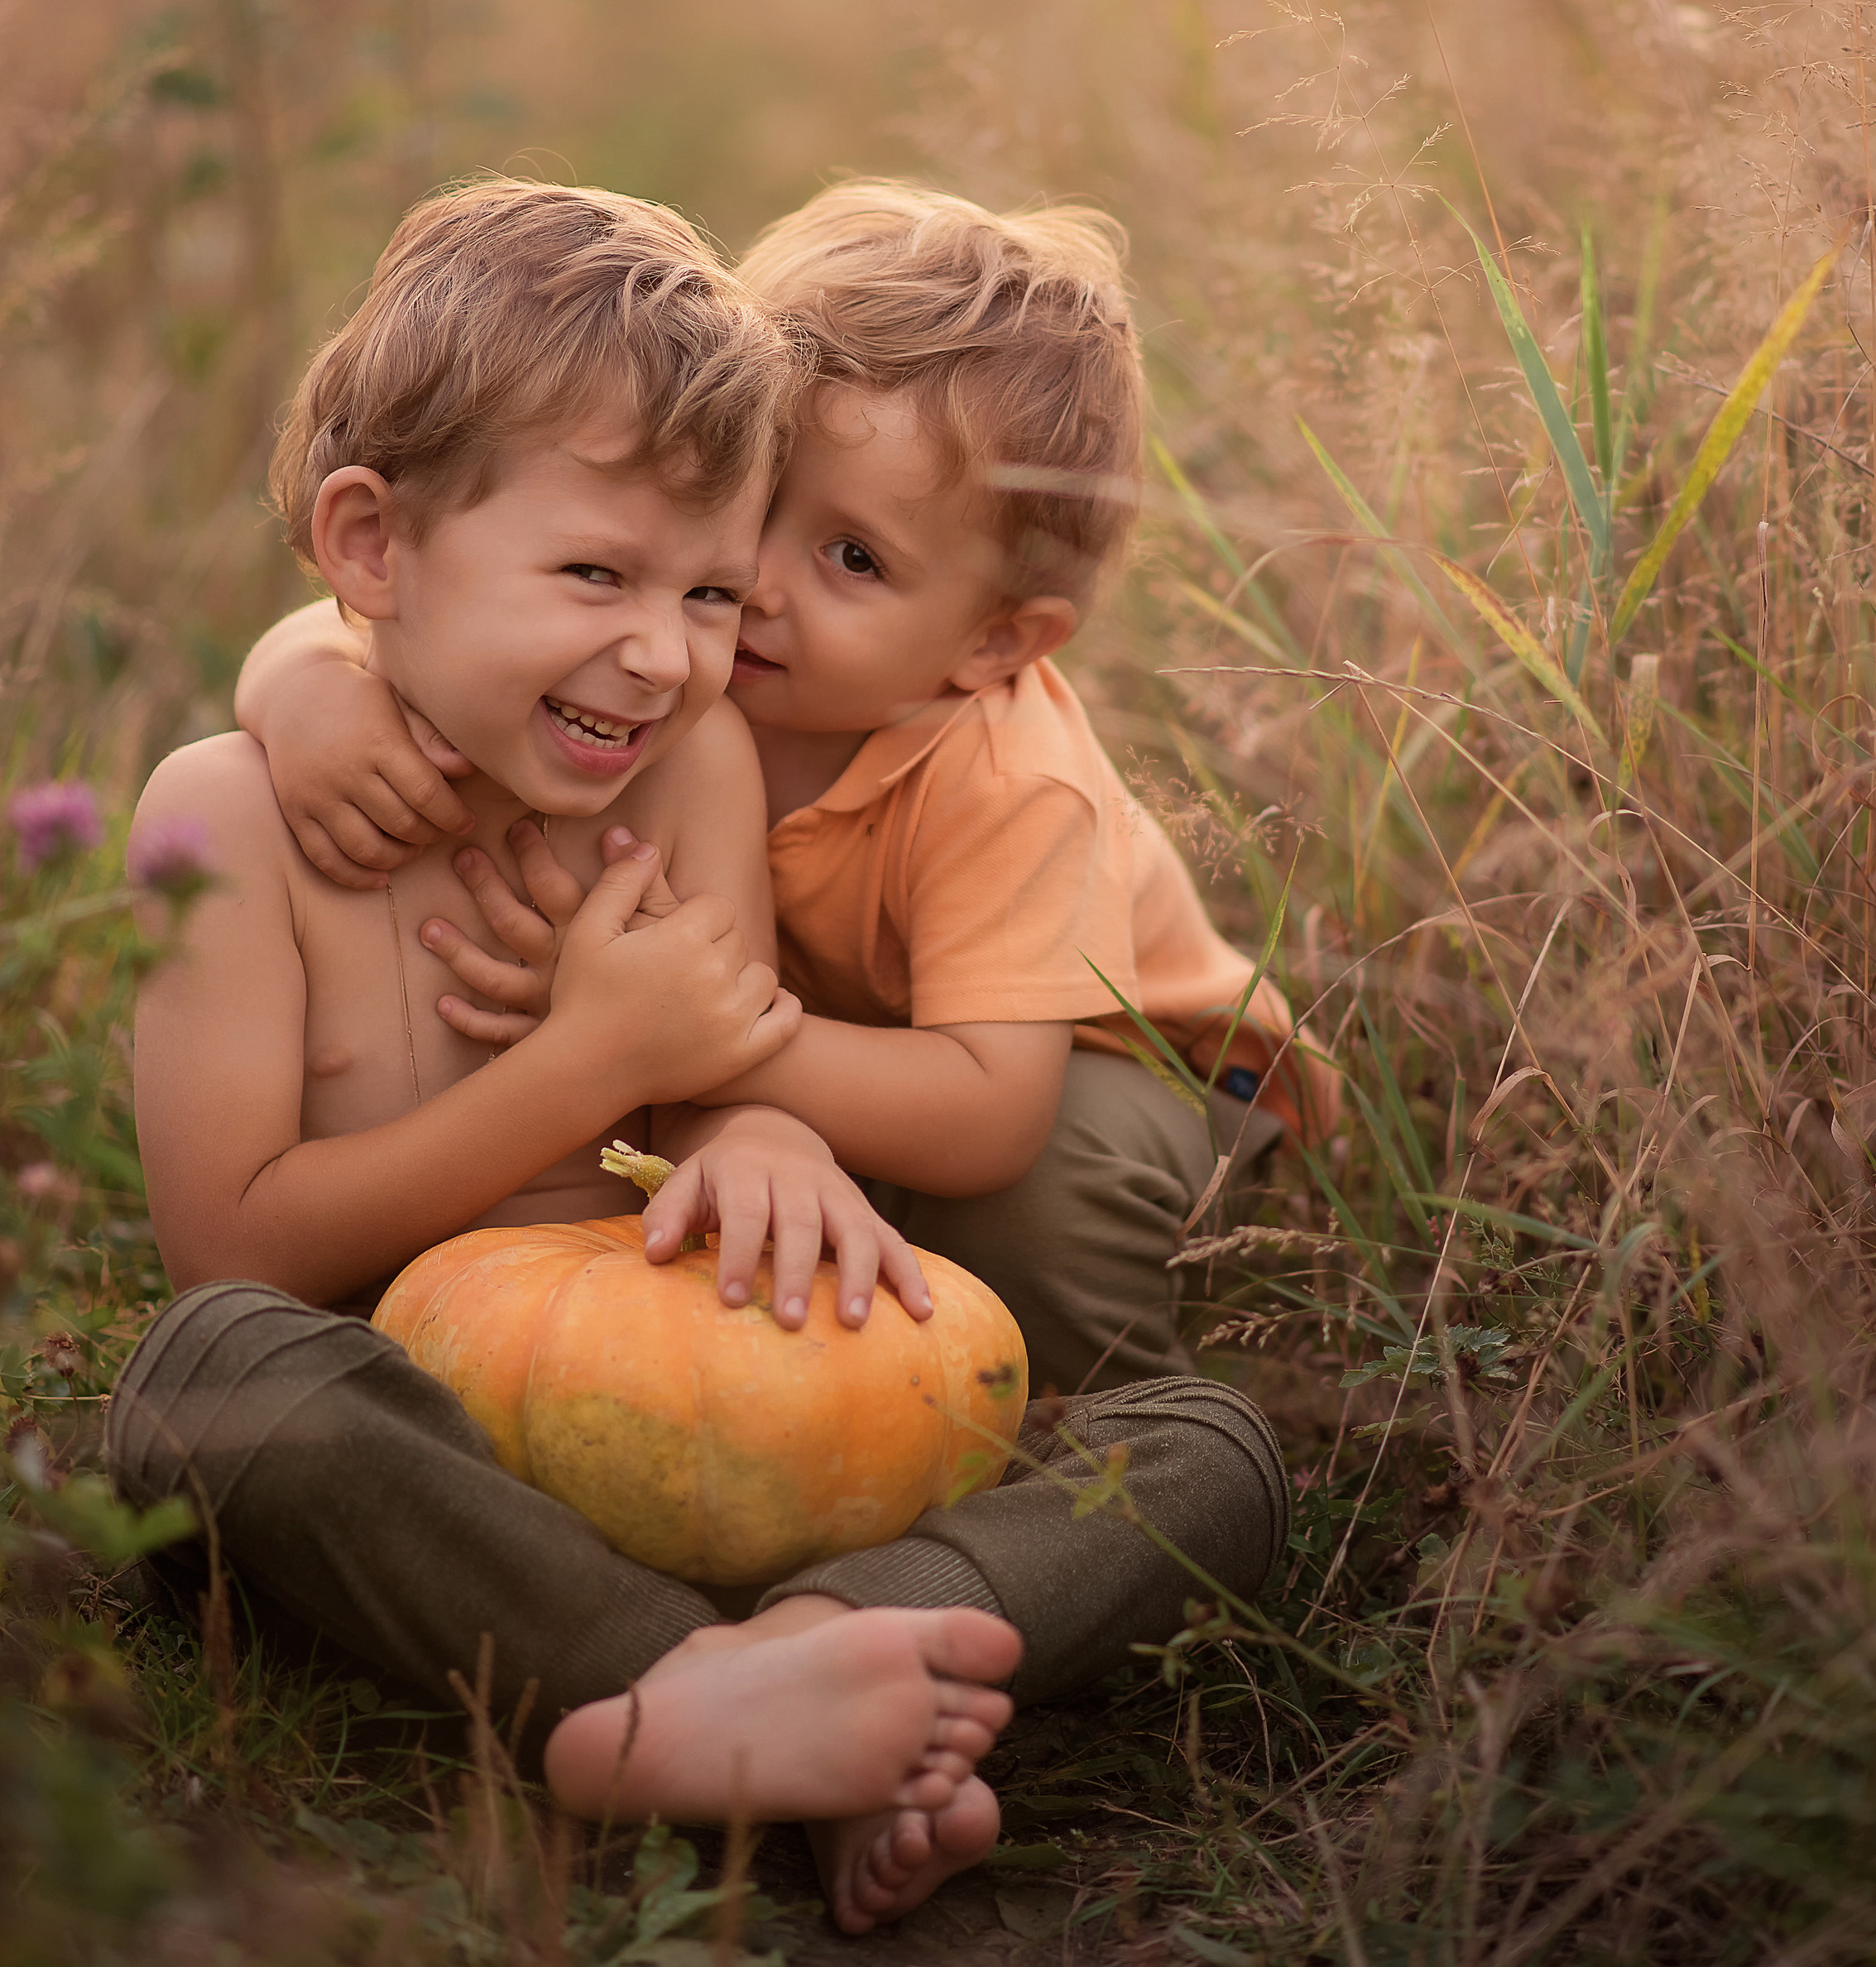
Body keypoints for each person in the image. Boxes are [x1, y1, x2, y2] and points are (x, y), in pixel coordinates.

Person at [123, 177, 1293, 1934]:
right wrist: (586, 1056)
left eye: (708, 585)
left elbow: (729, 1066)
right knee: (212, 1371)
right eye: (602, 574)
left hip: (723, 1404)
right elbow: (239, 1251)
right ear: (371, 548)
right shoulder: (224, 814)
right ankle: (692, 1694)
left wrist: (761, 1137)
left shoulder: (686, 761)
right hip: (440, 1447)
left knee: (1209, 1444)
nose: (679, 650)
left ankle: (804, 1655)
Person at [231, 180, 1339, 1402]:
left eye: (853, 557)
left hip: (1148, 1099)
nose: (749, 580)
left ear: (995, 644)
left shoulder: (1014, 785)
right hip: (839, 1066)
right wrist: (302, 684)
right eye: (753, 502)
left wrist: (679, 1034)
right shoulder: (682, 649)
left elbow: (986, 1112)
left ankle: (1110, 1430)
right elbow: (430, 615)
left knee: (1045, 1188)